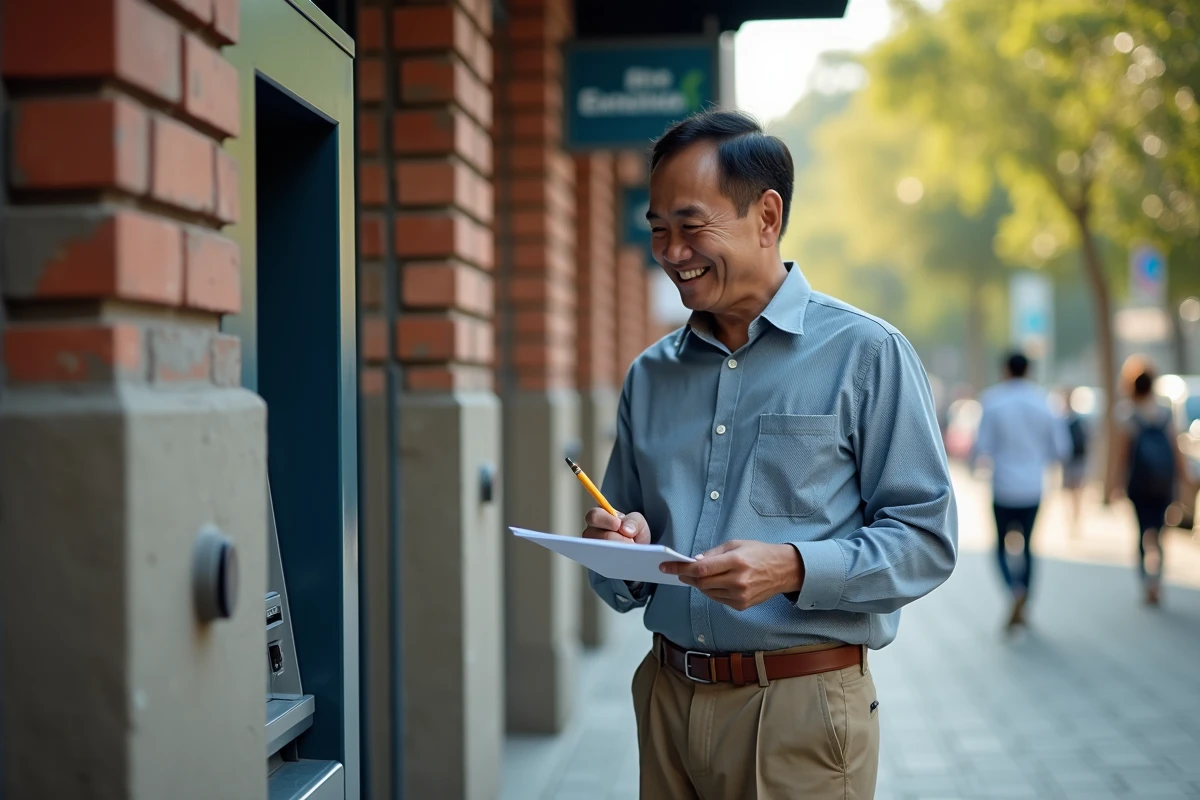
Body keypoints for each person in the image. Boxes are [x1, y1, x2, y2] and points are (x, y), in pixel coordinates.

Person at [581, 110, 958, 799]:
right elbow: (622, 568)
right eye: (657, 229)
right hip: (666, 698)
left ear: (767, 215)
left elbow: (926, 541)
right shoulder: (650, 374)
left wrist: (790, 567)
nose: (670, 251)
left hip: (800, 710)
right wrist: (620, 549)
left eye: (691, 227)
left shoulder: (866, 354)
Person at [971, 352, 1070, 633]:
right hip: (1033, 487)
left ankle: (1013, 590)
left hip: (1003, 485)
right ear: (1029, 371)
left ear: (1005, 370)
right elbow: (1061, 450)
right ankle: (1025, 600)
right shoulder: (1044, 403)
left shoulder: (993, 401)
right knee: (1029, 546)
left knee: (1001, 547)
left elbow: (981, 446)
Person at [1111, 364, 1188, 606]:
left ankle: (1147, 581)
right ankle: (1158, 579)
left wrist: (1115, 483)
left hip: (1139, 484)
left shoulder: (1128, 415)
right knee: (1161, 532)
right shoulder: (1164, 413)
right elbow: (1177, 451)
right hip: (1163, 484)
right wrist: (1184, 477)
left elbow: (1123, 454)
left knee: (1142, 531)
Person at [1062, 387, 1091, 537]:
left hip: (1076, 460)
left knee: (1076, 493)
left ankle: (1075, 521)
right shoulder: (1069, 420)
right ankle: (1073, 521)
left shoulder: (1073, 420)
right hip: (1072, 460)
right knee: (1072, 493)